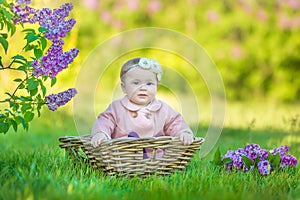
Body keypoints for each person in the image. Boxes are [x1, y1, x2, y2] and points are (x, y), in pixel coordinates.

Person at [91, 57, 194, 152]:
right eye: (136, 83)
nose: (143, 88)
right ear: (124, 87)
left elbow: (175, 122)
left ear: (156, 86)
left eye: (149, 84)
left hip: (155, 157)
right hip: (123, 156)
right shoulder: (117, 107)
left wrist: (183, 132)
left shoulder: (162, 109)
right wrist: (101, 133)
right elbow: (105, 121)